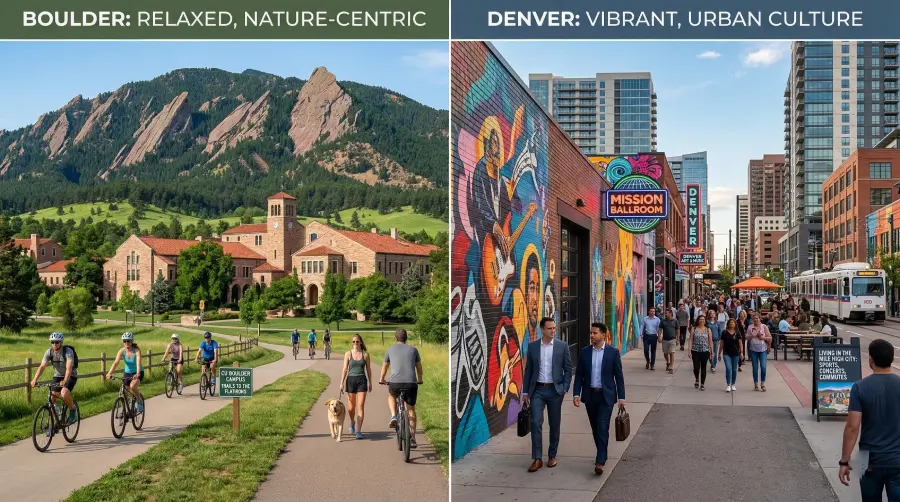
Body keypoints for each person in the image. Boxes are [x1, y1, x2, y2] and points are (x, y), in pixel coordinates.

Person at [839, 339, 900, 500]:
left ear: (871, 360)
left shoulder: (860, 387)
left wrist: (844, 461)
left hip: (868, 458)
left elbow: (852, 427)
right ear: (892, 359)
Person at [572, 322, 626, 476]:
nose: (592, 336)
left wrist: (622, 397)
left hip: (606, 396)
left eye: (595, 333)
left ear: (603, 334)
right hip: (590, 395)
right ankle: (602, 452)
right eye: (591, 333)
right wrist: (576, 393)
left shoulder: (612, 353)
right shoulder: (584, 352)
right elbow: (580, 375)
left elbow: (619, 377)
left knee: (602, 427)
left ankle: (600, 461)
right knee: (595, 428)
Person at [522, 317, 573, 472]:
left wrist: (564, 388)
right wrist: (525, 392)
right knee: (536, 423)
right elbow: (529, 370)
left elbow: (568, 369)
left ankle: (552, 455)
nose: (553, 331)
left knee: (554, 424)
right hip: (537, 390)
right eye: (549, 328)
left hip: (555, 391)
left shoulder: (562, 346)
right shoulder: (533, 347)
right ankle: (537, 458)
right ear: (542, 330)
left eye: (554, 328)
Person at [380, 329, 424, 449]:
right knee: (411, 410)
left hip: (395, 383)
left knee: (392, 395)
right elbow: (419, 368)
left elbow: (384, 367)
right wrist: (419, 380)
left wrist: (381, 379)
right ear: (406, 338)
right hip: (411, 383)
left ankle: (394, 415)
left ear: (396, 338)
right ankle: (413, 438)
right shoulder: (413, 350)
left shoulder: (390, 349)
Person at [31, 331, 78, 425]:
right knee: (51, 398)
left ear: (61, 342)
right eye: (52, 342)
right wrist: (34, 379)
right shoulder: (49, 352)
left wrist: (65, 380)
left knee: (64, 393)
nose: (54, 344)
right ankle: (55, 422)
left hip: (70, 375)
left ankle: (72, 410)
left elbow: (69, 368)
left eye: (57, 342)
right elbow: (42, 367)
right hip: (57, 376)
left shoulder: (68, 351)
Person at [340, 334, 372, 439]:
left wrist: (370, 382)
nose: (355, 344)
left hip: (362, 380)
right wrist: (341, 382)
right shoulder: (348, 354)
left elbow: (368, 369)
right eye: (353, 342)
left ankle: (358, 431)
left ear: (360, 342)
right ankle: (352, 422)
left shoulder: (365, 355)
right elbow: (345, 369)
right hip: (350, 380)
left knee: (360, 406)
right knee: (351, 408)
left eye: (357, 342)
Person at [106, 332, 144, 413]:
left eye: (128, 341)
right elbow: (116, 362)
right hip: (127, 372)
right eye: (124, 341)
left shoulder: (136, 350)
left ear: (132, 341)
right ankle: (125, 408)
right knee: (125, 390)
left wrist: (137, 373)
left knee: (133, 386)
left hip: (138, 371)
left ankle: (139, 401)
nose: (126, 343)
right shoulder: (121, 351)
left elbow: (138, 362)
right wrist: (109, 373)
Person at [747, 313, 773, 392]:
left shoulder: (764, 327)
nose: (756, 320)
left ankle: (762, 383)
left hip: (763, 350)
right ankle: (755, 383)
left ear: (760, 319)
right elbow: (746, 337)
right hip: (753, 349)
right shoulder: (750, 327)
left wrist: (763, 338)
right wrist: (754, 336)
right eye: (754, 318)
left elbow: (770, 338)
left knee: (763, 367)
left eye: (757, 318)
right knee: (755, 368)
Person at [688, 315, 713, 391]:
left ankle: (702, 383)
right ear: (698, 320)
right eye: (700, 319)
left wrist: (712, 352)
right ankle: (697, 378)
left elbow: (710, 341)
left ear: (705, 321)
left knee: (703, 367)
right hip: (695, 351)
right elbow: (691, 340)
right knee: (696, 368)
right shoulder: (694, 329)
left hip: (705, 351)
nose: (702, 321)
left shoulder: (708, 329)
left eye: (703, 319)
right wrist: (689, 351)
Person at [719, 319, 743, 392]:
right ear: (728, 324)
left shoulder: (737, 333)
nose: (732, 324)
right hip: (726, 353)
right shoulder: (724, 332)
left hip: (736, 353)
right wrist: (719, 353)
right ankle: (728, 385)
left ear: (735, 324)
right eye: (730, 323)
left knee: (734, 369)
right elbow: (722, 343)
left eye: (733, 323)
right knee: (728, 368)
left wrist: (741, 352)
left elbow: (740, 343)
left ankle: (733, 384)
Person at [660, 309, 679, 373]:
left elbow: (677, 330)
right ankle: (668, 362)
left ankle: (671, 367)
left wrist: (677, 339)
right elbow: (660, 329)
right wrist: (659, 337)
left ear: (671, 313)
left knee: (671, 352)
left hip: (672, 339)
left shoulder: (675, 321)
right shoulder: (663, 321)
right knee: (665, 353)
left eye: (667, 313)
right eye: (665, 313)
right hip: (665, 339)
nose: (665, 314)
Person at [708, 308, 722, 374]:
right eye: (711, 313)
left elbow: (720, 331)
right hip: (708, 340)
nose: (712, 314)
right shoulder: (707, 322)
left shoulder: (717, 323)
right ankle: (711, 362)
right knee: (710, 353)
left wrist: (719, 339)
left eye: (713, 313)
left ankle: (713, 366)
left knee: (715, 353)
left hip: (716, 340)